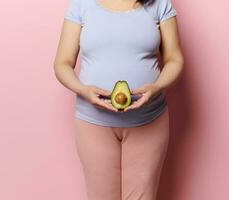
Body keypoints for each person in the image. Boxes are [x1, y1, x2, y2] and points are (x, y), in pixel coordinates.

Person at [53, 0, 184, 199]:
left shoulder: (159, 4)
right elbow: (62, 63)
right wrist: (83, 90)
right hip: (93, 122)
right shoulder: (82, 4)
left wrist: (157, 87)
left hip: (148, 119)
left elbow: (175, 59)